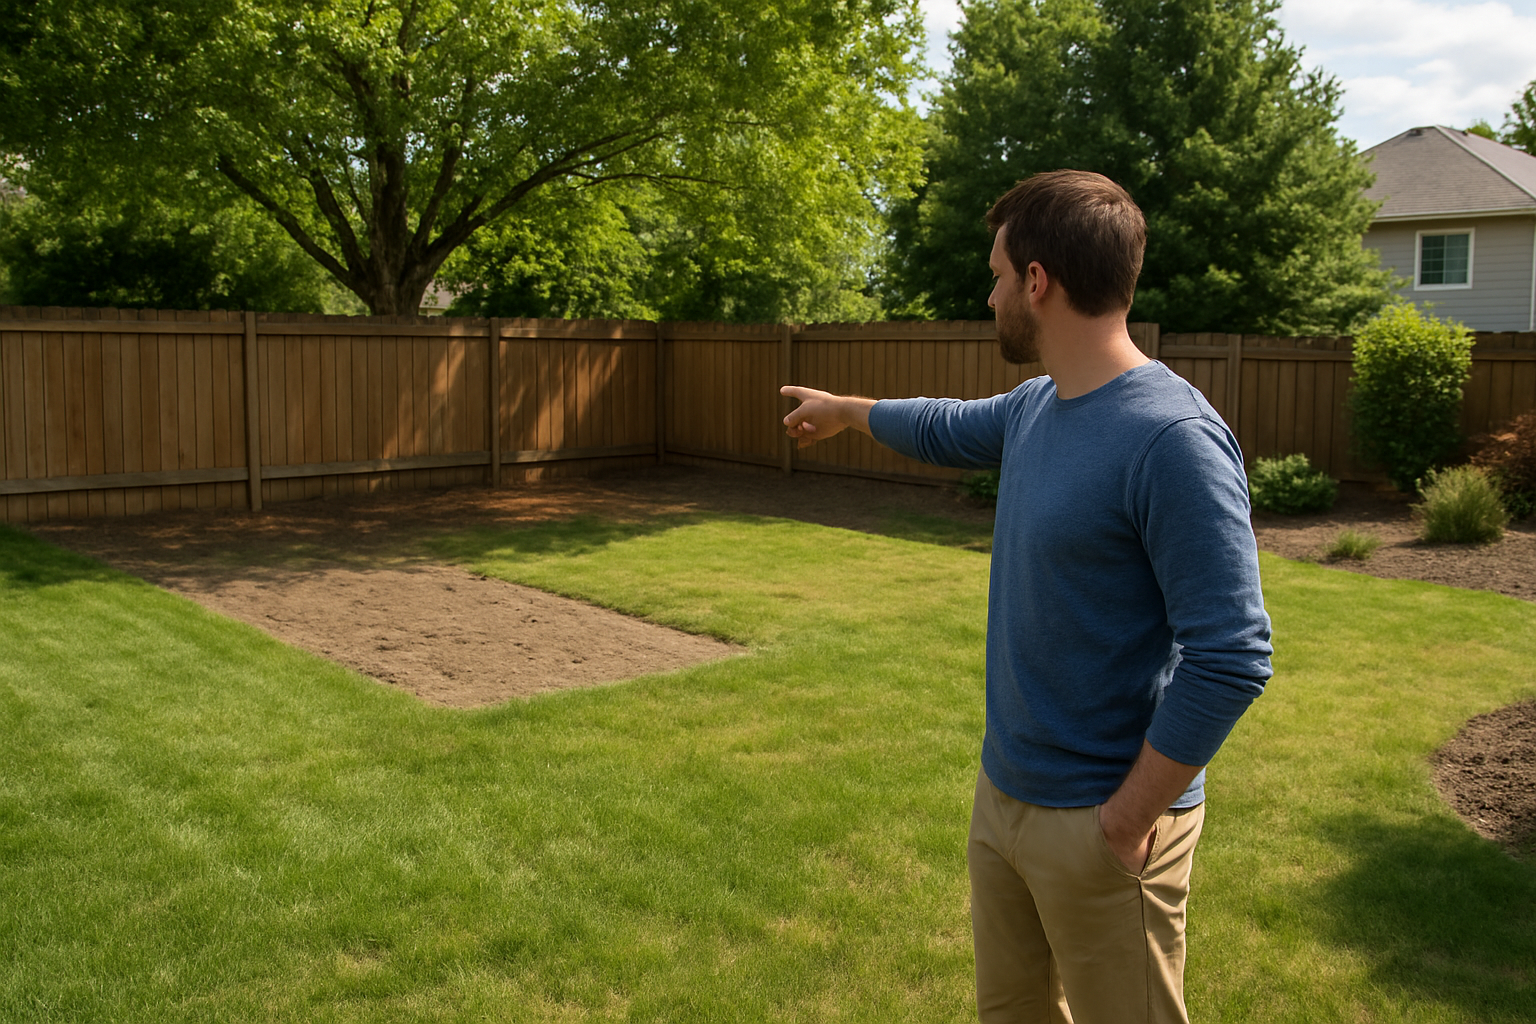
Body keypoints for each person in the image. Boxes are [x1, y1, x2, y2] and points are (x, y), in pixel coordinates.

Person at [779, 170, 1273, 1024]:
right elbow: (939, 423)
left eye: (1000, 272)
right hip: (1004, 795)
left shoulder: (1172, 439)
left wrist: (1125, 822)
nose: (992, 290)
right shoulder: (1037, 407)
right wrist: (846, 410)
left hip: (1104, 825)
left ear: (1037, 282)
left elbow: (1232, 655)